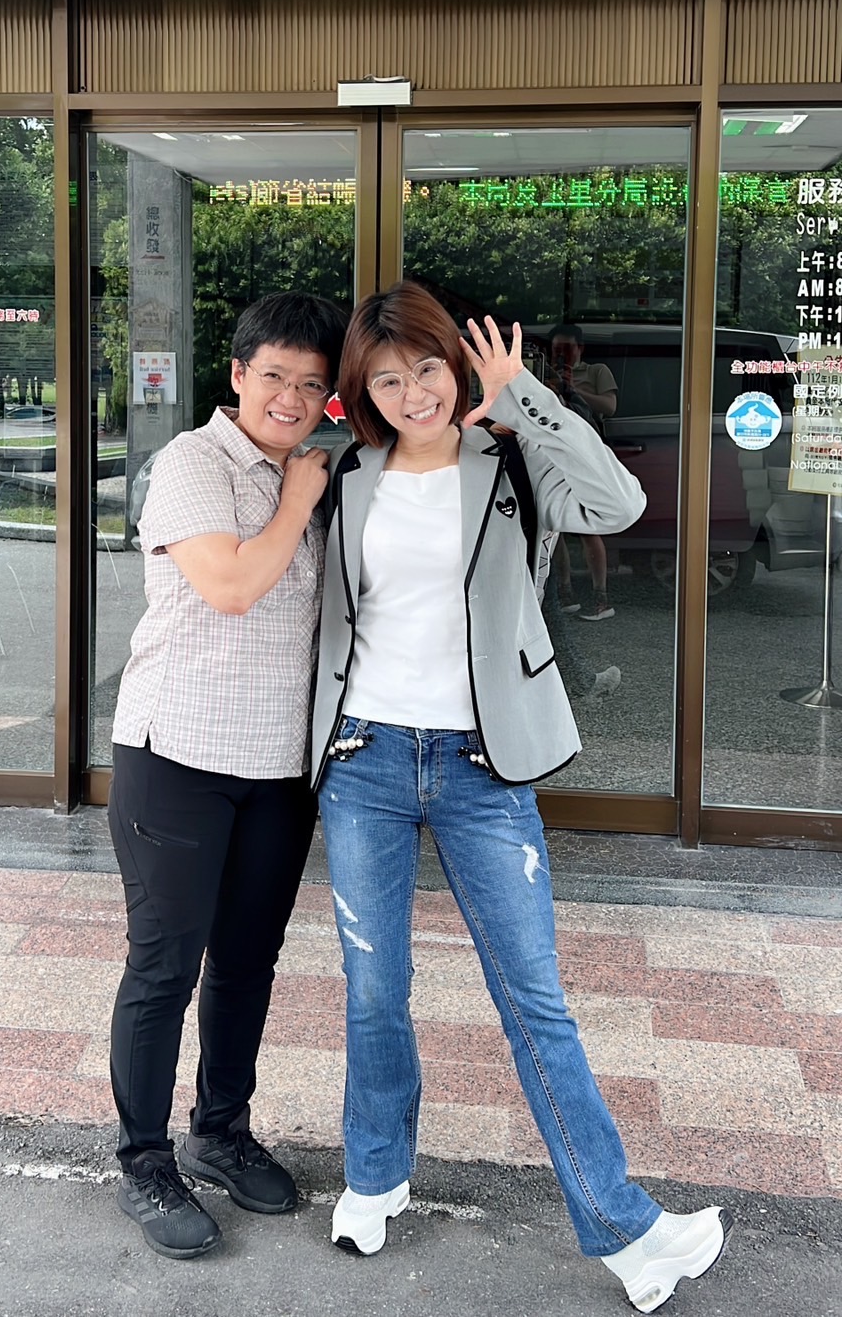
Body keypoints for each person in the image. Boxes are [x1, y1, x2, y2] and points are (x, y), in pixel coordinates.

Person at [312, 282, 730, 1311]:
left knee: (534, 1001)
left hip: (482, 765)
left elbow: (621, 505)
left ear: (458, 367)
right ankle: (374, 1177)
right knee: (373, 990)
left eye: (428, 368)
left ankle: (628, 1233)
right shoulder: (345, 474)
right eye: (387, 379)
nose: (413, 393)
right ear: (364, 391)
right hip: (364, 758)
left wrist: (525, 393)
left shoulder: (509, 458)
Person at [108, 291, 346, 1260]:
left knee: (247, 960)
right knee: (165, 966)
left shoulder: (319, 471)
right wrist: (297, 499)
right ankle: (142, 1160)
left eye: (312, 384)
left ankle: (220, 1130)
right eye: (275, 376)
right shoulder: (192, 464)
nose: (291, 398)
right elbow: (234, 586)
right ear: (239, 374)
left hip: (277, 770)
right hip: (175, 757)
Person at [548, 323, 619, 620]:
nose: (562, 354)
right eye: (557, 349)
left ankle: (601, 598)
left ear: (580, 348)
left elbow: (610, 407)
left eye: (567, 348)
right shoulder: (544, 373)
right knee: (555, 528)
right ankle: (565, 593)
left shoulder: (596, 371)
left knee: (588, 527)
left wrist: (573, 389)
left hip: (587, 455)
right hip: (554, 453)